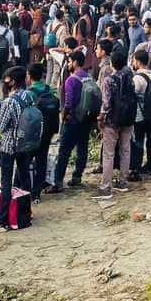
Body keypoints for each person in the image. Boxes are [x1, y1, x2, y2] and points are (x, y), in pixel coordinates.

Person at [0, 67, 33, 233]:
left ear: (12, 81)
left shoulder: (9, 101)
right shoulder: (28, 96)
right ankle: (25, 212)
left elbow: (2, 125)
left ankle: (1, 219)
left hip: (9, 145)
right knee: (24, 176)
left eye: (6, 79)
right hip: (25, 144)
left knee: (7, 182)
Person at [45, 50, 92, 194]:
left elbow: (69, 102)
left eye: (70, 61)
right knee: (82, 148)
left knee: (64, 151)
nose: (69, 64)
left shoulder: (71, 80)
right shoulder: (88, 78)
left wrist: (64, 116)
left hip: (73, 120)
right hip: (86, 118)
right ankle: (77, 176)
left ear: (75, 62)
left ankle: (58, 182)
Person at [95, 49, 136, 201]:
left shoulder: (109, 80)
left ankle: (106, 187)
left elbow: (106, 103)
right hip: (128, 119)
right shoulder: (130, 76)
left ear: (112, 64)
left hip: (112, 120)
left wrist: (101, 118)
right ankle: (123, 182)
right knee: (125, 150)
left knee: (108, 154)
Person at [27, 62, 59, 200]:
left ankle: (26, 191)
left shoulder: (30, 93)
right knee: (42, 161)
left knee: (27, 161)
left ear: (29, 76)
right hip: (48, 131)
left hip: (34, 133)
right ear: (43, 75)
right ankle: (37, 193)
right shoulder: (49, 90)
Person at [131, 49, 151, 178]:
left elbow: (133, 94)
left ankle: (136, 167)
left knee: (138, 140)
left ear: (137, 61)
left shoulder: (137, 78)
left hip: (140, 114)